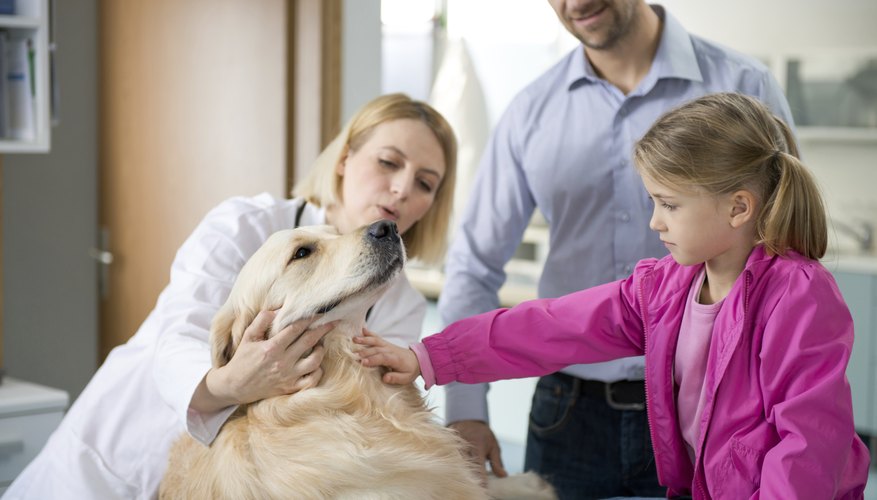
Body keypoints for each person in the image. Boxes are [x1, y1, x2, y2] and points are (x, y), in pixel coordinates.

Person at [357, 92, 872, 498]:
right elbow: (555, 326)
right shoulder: (666, 287)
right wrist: (430, 356)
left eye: (669, 204)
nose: (655, 221)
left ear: (739, 208)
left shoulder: (798, 297)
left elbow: (807, 447)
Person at [3, 93, 458, 500]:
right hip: (111, 467)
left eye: (425, 183)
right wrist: (232, 383)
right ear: (344, 158)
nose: (401, 189)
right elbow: (177, 338)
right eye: (388, 162)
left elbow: (370, 411)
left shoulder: (402, 305)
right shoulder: (245, 225)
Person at [436, 0, 794, 497]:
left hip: (712, 411)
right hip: (568, 413)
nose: (575, 4)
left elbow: (784, 245)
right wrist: (465, 410)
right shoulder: (530, 111)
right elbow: (474, 266)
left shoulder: (744, 85)